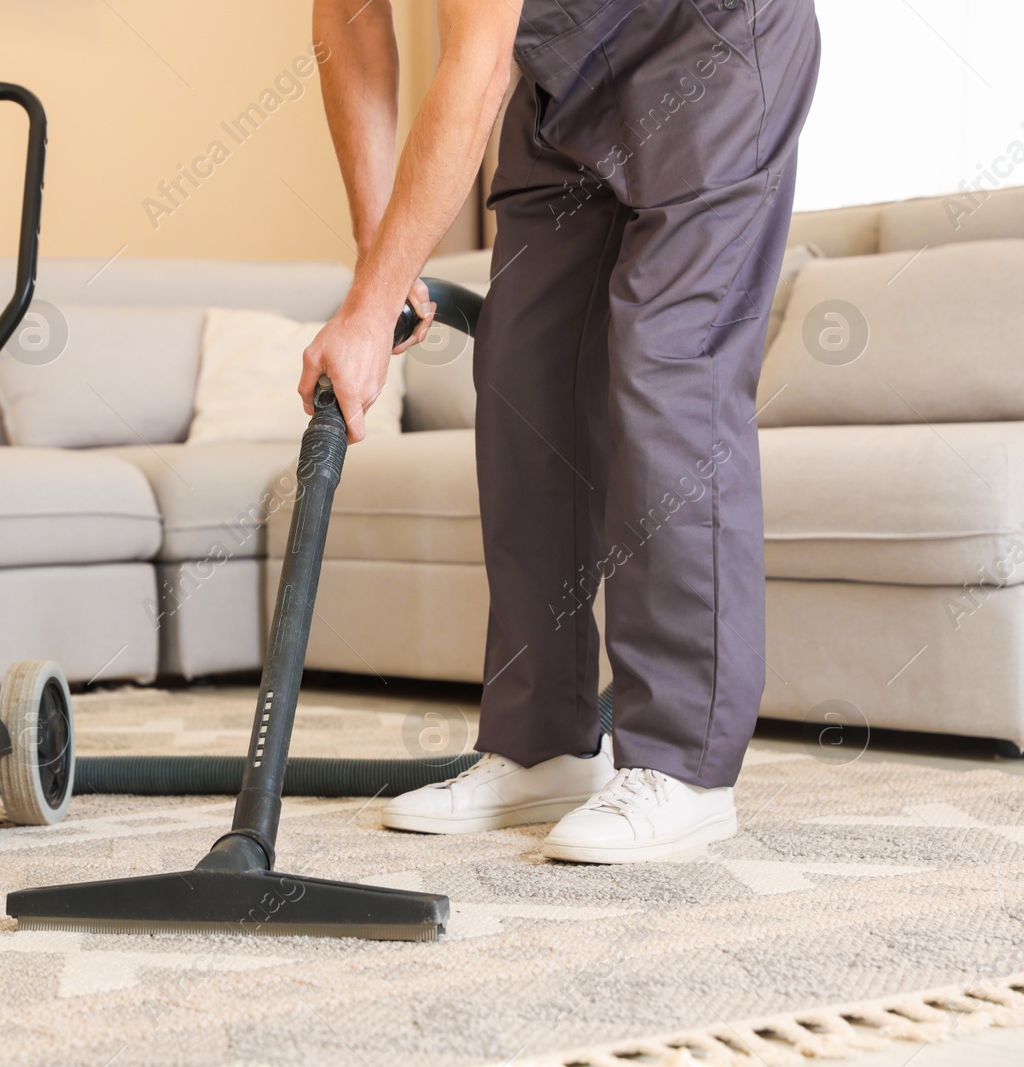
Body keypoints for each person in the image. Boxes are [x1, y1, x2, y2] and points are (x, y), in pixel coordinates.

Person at [302, 0, 820, 862]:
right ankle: (540, 742)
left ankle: (683, 764)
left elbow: (472, 71)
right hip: (564, 78)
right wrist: (376, 267)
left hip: (715, 41)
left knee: (667, 365)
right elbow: (349, 27)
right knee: (521, 369)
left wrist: (364, 311)